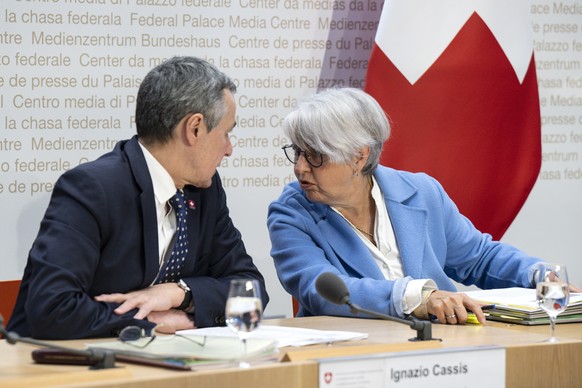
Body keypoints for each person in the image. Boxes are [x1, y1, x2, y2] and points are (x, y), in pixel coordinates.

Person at [7, 56, 269, 339]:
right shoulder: (92, 189)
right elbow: (51, 309)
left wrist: (179, 293)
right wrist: (151, 322)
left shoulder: (205, 190)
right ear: (194, 128)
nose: (229, 149)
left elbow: (251, 292)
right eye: (226, 133)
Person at [267, 87, 546, 325]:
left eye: (315, 156)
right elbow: (318, 288)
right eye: (297, 152)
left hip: (443, 345)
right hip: (353, 356)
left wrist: (539, 274)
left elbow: (479, 258)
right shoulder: (291, 212)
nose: (301, 167)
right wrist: (418, 297)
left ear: (358, 157)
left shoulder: (421, 191)